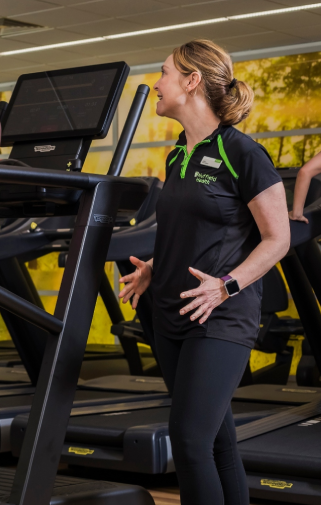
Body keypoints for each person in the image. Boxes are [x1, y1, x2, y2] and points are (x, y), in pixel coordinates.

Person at [118, 39, 289, 505]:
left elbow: (278, 239)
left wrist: (227, 285)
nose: (156, 83)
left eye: (165, 73)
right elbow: (194, 230)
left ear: (191, 82)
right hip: (171, 312)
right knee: (216, 441)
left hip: (222, 314)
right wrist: (154, 267)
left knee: (190, 442)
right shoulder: (177, 154)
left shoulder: (243, 153)